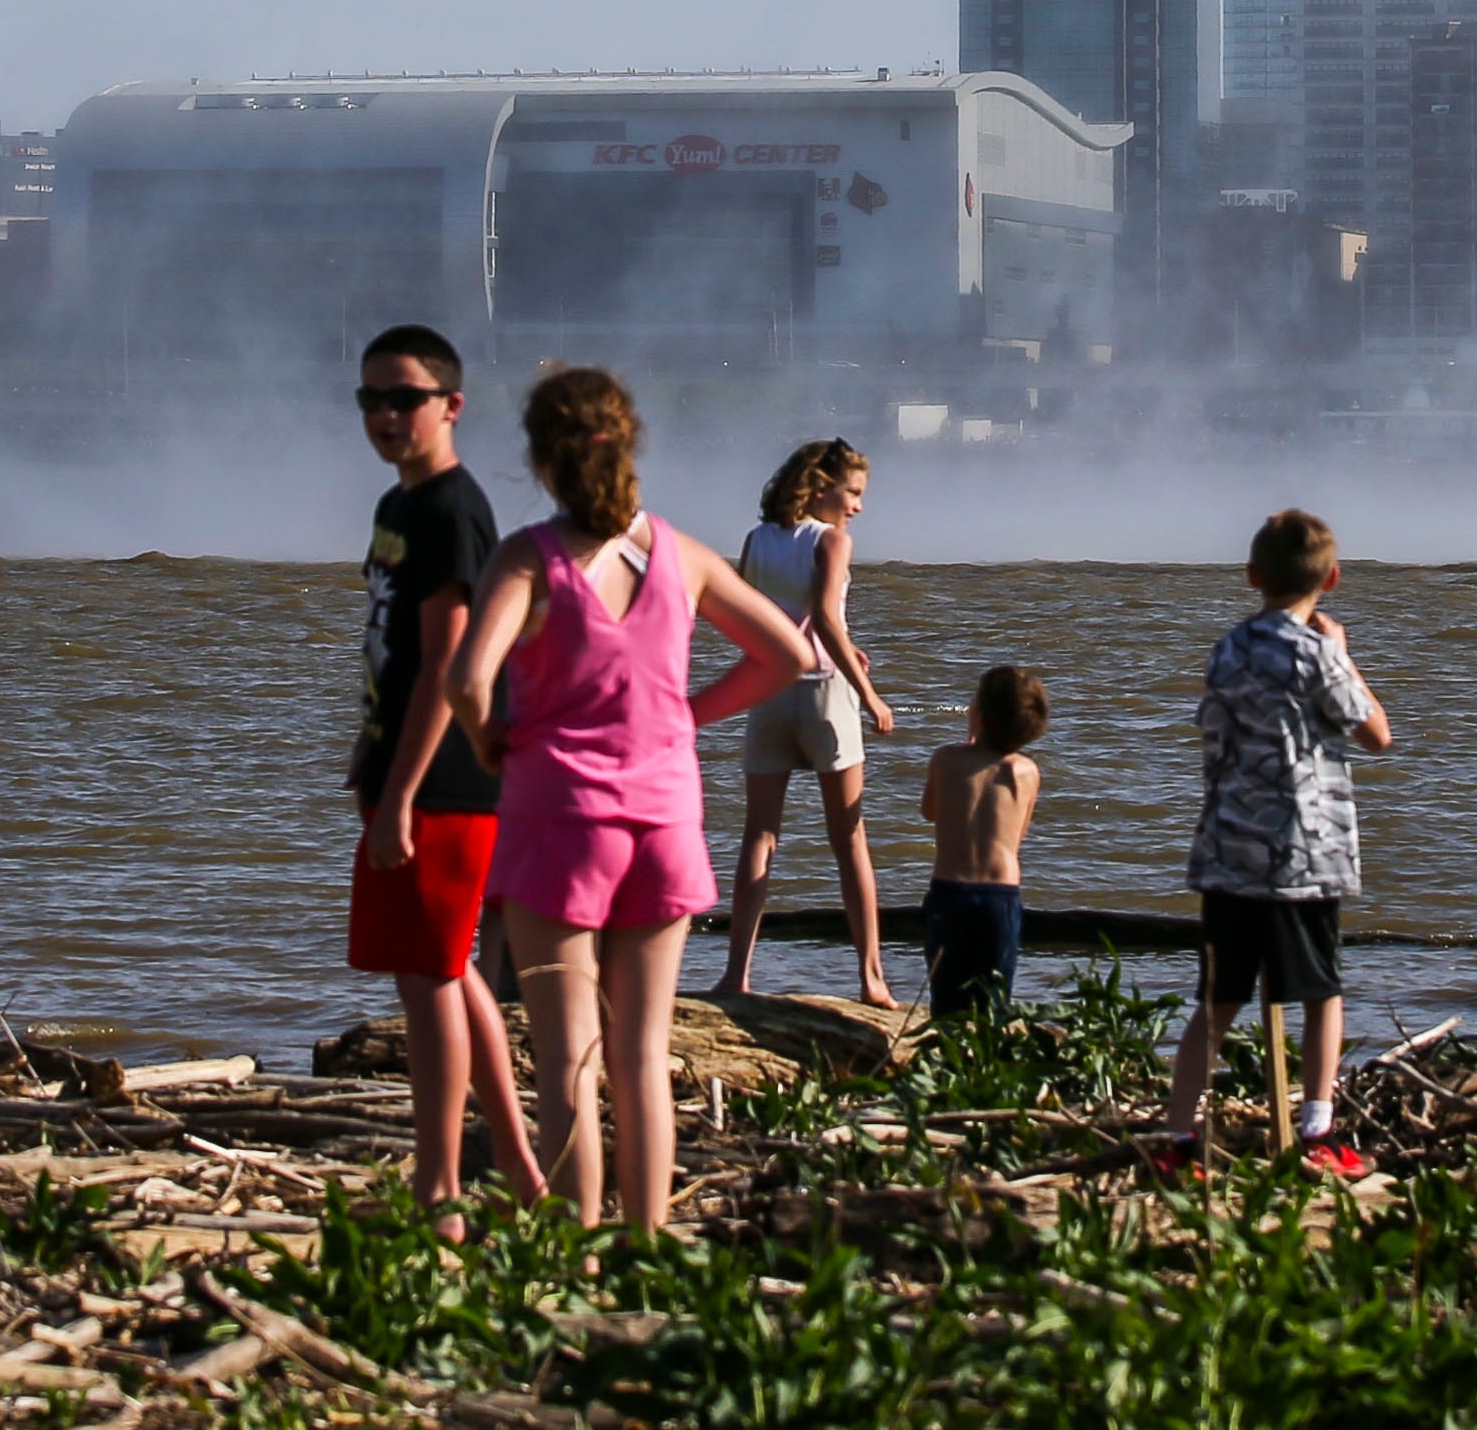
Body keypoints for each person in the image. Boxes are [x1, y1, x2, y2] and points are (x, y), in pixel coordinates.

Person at [445, 367, 818, 1231]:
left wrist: (489, 739)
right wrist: (687, 714)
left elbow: (468, 676)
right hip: (664, 820)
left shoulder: (528, 557)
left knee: (569, 1055)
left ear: (540, 460)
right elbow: (785, 655)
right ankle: (646, 1242)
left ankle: (575, 1249)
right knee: (642, 1054)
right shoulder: (677, 553)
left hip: (559, 825)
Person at [344, 323, 545, 1229]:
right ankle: (516, 1160)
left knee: (428, 984)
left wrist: (400, 798)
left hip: (446, 786)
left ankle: (441, 1189)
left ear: (450, 406)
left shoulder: (453, 511)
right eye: (371, 399)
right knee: (450, 969)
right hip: (404, 779)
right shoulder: (398, 505)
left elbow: (445, 664)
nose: (386, 415)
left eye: (405, 398)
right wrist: (371, 771)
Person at [1158, 510, 1393, 1172]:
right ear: (1333, 577)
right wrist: (1342, 654)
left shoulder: (1227, 648)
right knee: (1320, 992)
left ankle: (1179, 1141)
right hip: (1304, 853)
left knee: (1216, 1001)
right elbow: (1375, 732)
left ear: (1252, 575)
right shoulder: (1319, 652)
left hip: (1228, 851)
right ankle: (1317, 1134)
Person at [715, 438, 899, 1005]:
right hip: (824, 699)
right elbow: (822, 615)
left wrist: (840, 644)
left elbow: (750, 613)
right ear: (822, 486)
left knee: (759, 835)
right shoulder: (833, 540)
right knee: (849, 840)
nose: (859, 507)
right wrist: (871, 696)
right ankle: (870, 979)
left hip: (769, 693)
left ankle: (735, 975)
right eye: (854, 493)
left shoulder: (757, 540)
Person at [917, 667, 1049, 1021]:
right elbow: (1017, 835)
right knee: (994, 996)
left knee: (946, 997)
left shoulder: (946, 759)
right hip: (999, 896)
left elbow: (930, 811)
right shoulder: (1025, 772)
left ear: (981, 714)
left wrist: (970, 739)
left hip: (950, 892)